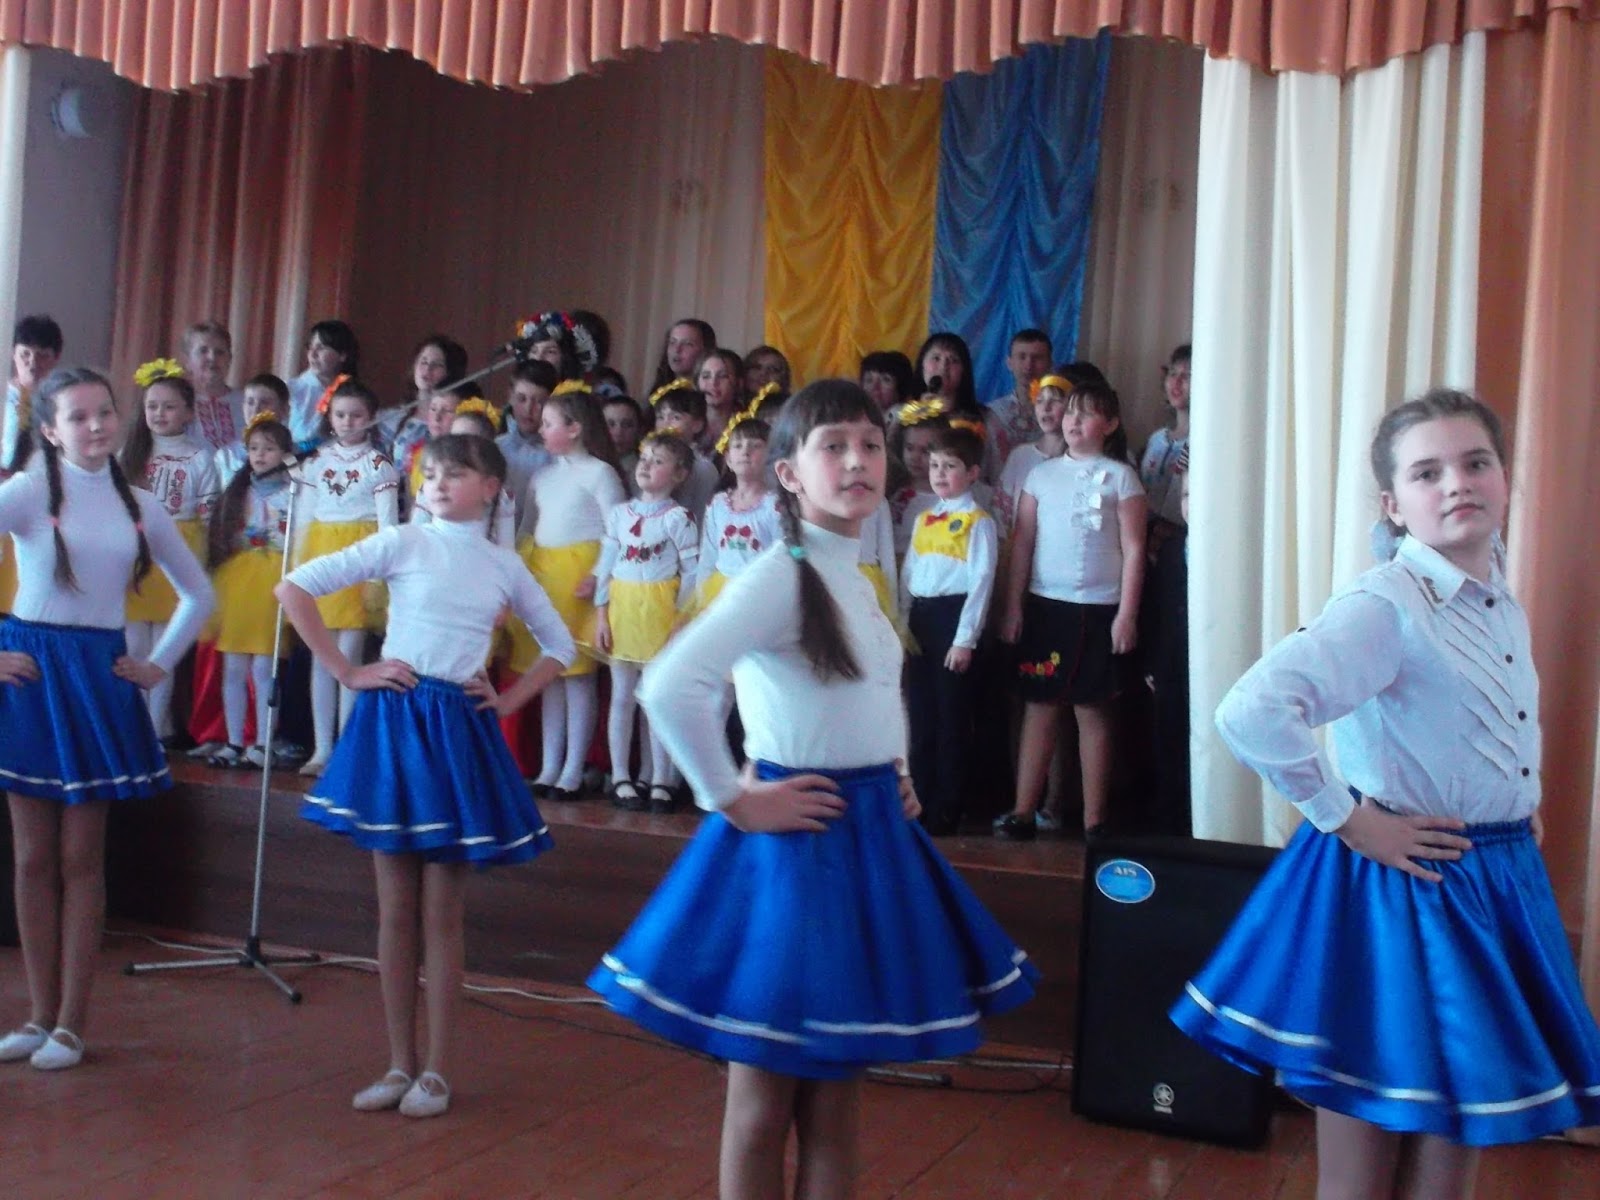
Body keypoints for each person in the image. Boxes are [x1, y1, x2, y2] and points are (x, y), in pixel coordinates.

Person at [589, 380, 1036, 1198]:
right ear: (790, 474)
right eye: (833, 446)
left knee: (836, 1106)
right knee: (763, 1103)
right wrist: (731, 798)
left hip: (865, 837)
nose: (857, 461)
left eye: (869, 445)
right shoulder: (780, 576)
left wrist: (898, 772)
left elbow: (869, 692)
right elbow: (672, 685)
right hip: (794, 850)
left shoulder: (852, 577)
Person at [1171, 389, 1600, 1198]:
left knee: (1457, 1131)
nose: (1456, 483)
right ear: (1393, 504)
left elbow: (1479, 723)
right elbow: (1252, 711)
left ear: (1504, 479)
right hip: (1397, 884)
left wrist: (1516, 799)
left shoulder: (1499, 602)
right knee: (1361, 1162)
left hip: (1491, 875)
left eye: (1476, 463)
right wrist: (1348, 819)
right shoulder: (1385, 605)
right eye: (1427, 472)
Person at [278, 433, 575, 1119]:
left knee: (442, 912)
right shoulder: (403, 541)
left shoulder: (504, 564)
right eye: (430, 473)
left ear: (492, 488)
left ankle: (436, 1070)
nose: (437, 483)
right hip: (395, 720)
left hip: (456, 730)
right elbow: (293, 587)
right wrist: (347, 670)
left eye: (456, 473)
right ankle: (396, 1063)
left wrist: (508, 700)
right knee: (393, 908)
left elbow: (560, 644)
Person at [0, 367, 213, 1071]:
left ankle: (71, 1023)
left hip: (98, 676)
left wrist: (159, 664)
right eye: (78, 416)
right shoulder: (27, 491)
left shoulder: (140, 503)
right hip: (31, 675)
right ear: (50, 429)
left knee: (79, 858)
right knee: (31, 858)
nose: (95, 426)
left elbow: (198, 594)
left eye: (104, 412)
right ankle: (37, 1015)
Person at [995, 381, 1145, 841]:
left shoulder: (1121, 477)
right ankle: (1023, 810)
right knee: (1039, 707)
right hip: (1046, 607)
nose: (1074, 421)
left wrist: (1126, 615)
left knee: (1092, 711)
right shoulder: (1040, 476)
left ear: (1110, 424)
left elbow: (1134, 549)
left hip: (1099, 610)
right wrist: (1013, 606)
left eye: (1087, 413)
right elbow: (1023, 543)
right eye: (1070, 412)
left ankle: (1094, 820)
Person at [510, 385, 626, 798]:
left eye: (549, 423)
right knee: (550, 675)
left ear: (574, 428)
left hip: (578, 581)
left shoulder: (600, 473)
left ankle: (573, 769)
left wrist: (597, 575)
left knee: (577, 677)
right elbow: (526, 527)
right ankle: (550, 766)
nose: (541, 430)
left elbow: (617, 530)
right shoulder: (542, 476)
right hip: (544, 576)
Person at [294, 378, 402, 774]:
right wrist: (296, 568)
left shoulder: (379, 465)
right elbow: (303, 518)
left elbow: (389, 525)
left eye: (356, 415)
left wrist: (379, 577)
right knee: (321, 657)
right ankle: (321, 748)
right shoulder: (315, 461)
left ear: (371, 418)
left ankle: (347, 748)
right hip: (321, 556)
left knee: (350, 656)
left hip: (360, 559)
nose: (347, 422)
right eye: (340, 414)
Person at [899, 417, 997, 836]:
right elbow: (909, 573)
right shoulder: (924, 517)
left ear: (972, 473)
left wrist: (964, 639)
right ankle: (919, 800)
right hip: (921, 618)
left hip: (953, 619)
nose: (939, 473)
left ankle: (948, 806)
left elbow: (982, 582)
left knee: (950, 717)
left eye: (950, 466)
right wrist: (902, 625)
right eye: (935, 465)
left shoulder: (979, 521)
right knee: (921, 716)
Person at [593, 432, 699, 812]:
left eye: (658, 461)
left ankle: (660, 779)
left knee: (655, 698)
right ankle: (621, 775)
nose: (646, 465)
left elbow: (692, 573)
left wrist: (681, 619)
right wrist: (601, 614)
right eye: (644, 458)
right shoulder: (620, 514)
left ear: (679, 474)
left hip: (660, 614)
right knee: (622, 696)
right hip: (623, 610)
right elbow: (606, 565)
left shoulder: (678, 518)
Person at [120, 359, 221, 741]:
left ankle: (153, 730)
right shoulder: (129, 454)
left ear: (189, 413)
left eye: (169, 406)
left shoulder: (200, 457)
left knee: (165, 648)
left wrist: (205, 562)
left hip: (180, 551)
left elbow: (209, 516)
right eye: (152, 406)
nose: (159, 413)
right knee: (133, 646)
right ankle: (130, 727)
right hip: (136, 554)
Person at [204, 415, 296, 767]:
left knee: (263, 667)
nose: (259, 455)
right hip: (240, 582)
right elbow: (227, 533)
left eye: (268, 449)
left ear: (285, 453)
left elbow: (295, 536)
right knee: (233, 666)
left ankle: (263, 742)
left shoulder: (293, 491)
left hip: (273, 579)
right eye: (254, 448)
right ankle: (233, 741)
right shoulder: (239, 490)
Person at [696, 409, 780, 612]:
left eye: (755, 445)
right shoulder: (717, 504)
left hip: (760, 593)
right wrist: (699, 599)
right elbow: (708, 556)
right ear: (728, 460)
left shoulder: (775, 506)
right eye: (738, 445)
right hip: (721, 593)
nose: (745, 451)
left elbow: (783, 558)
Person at [994, 372, 1068, 540]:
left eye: (1055, 400)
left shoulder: (1078, 461)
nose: (1046, 408)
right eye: (1040, 401)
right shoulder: (1020, 456)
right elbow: (1001, 512)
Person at [981, 329, 1052, 484]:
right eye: (1022, 357)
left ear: (1049, 363)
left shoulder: (1058, 415)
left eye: (1037, 358)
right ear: (1009, 363)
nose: (1029, 365)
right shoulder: (992, 414)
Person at [1138, 342, 1190, 551]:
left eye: (1187, 376)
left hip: (1178, 543)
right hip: (1146, 537)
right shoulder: (1157, 439)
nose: (1176, 382)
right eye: (1173, 374)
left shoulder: (1204, 445)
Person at [651, 381, 720, 525]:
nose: (665, 424)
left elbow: (701, 519)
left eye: (675, 417)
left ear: (697, 425)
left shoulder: (703, 468)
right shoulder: (648, 461)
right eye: (661, 417)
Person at [498, 360, 555, 527]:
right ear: (510, 396)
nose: (528, 409)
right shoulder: (497, 447)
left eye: (539, 402)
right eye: (521, 399)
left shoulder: (556, 454)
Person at [287, 320, 360, 443]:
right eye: (310, 347)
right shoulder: (291, 389)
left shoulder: (354, 393)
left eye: (321, 348)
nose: (313, 354)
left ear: (342, 355)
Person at [180, 322, 246, 453]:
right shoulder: (175, 403)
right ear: (187, 360)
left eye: (220, 352)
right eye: (203, 351)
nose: (212, 357)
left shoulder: (248, 403)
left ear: (230, 359)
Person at [696, 348, 745, 453]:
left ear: (738, 383)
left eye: (723, 376)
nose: (713, 383)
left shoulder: (747, 425)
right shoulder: (686, 423)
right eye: (706, 376)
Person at [650, 318, 716, 393]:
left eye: (687, 344)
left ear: (705, 350)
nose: (677, 349)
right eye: (672, 342)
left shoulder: (712, 395)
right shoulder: (659, 391)